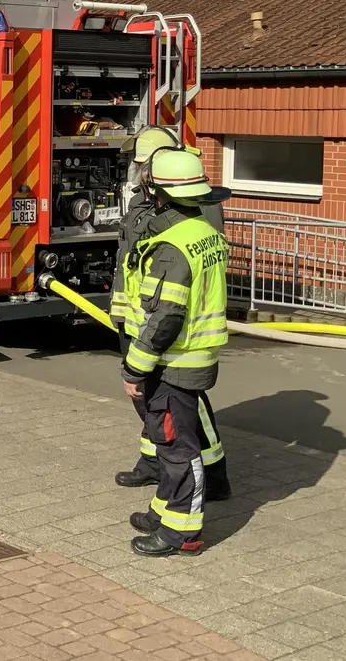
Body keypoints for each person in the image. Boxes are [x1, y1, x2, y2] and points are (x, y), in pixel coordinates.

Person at [119, 147, 231, 557]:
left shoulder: (172, 247)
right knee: (170, 443)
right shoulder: (204, 232)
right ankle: (164, 511)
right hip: (194, 357)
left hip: (173, 363)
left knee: (177, 449)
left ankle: (182, 533)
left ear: (158, 192)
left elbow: (165, 318)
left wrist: (134, 368)